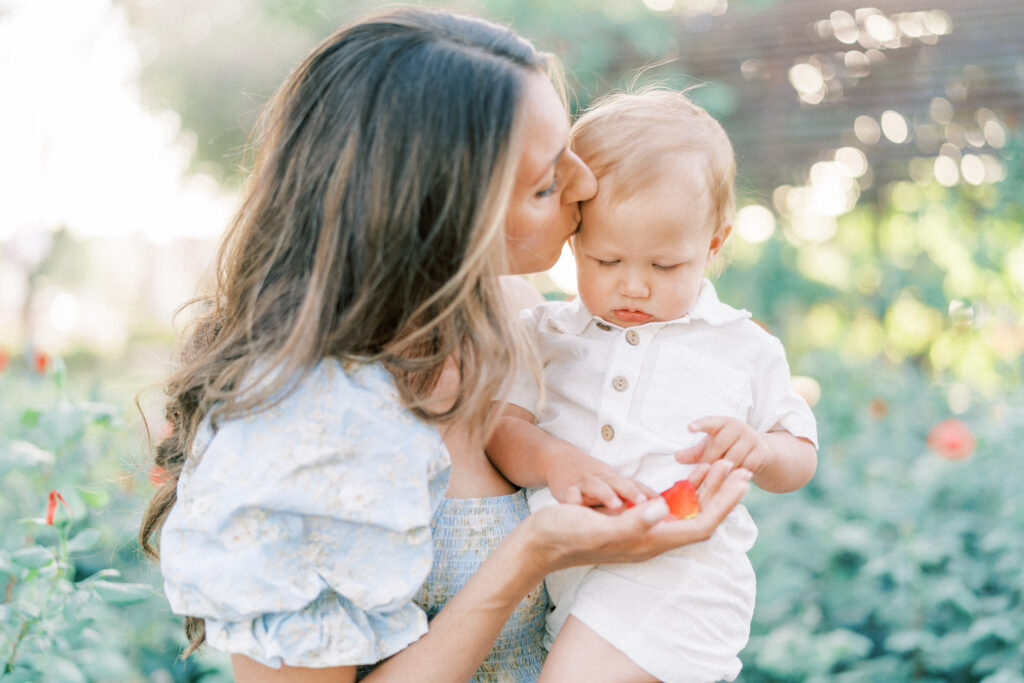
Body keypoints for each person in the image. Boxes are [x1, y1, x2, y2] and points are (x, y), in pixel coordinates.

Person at [137, 9, 754, 683]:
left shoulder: (518, 320)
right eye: (548, 181)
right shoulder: (300, 432)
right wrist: (530, 553)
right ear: (448, 212)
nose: (586, 183)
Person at [486, 90, 819, 683]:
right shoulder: (544, 333)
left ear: (713, 243)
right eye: (606, 262)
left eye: (663, 267)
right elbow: (502, 430)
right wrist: (555, 461)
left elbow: (800, 455)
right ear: (573, 238)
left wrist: (763, 450)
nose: (633, 287)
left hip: (680, 576)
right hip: (571, 584)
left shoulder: (741, 346)